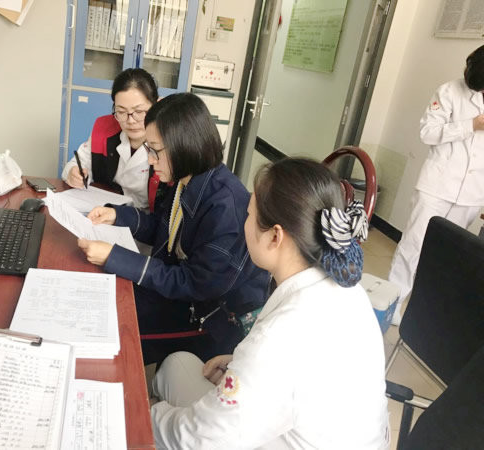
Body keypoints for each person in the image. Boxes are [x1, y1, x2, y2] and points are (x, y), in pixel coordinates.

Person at [151, 158, 390, 449]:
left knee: (172, 373)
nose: (244, 223)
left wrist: (146, 416)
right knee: (180, 366)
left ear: (275, 236)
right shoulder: (351, 292)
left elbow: (201, 440)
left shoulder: (277, 337)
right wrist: (241, 366)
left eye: (249, 214)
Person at [78, 93, 271, 365]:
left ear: (184, 146)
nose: (150, 160)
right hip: (181, 293)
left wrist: (114, 256)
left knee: (109, 324)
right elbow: (163, 227)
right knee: (103, 295)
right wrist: (118, 215)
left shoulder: (225, 208)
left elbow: (194, 284)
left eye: (154, 150)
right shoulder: (186, 179)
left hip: (209, 320)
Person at [388, 44, 484, 325]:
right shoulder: (449, 92)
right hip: (437, 186)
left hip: (472, 193)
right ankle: (392, 305)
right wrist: (471, 125)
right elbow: (427, 133)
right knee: (413, 247)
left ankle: (424, 315)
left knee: (447, 256)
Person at [62, 68, 165, 209]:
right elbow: (77, 163)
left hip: (145, 218)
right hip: (102, 211)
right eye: (121, 112)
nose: (131, 121)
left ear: (156, 106)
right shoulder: (105, 129)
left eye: (139, 111)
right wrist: (73, 173)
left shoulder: (168, 142)